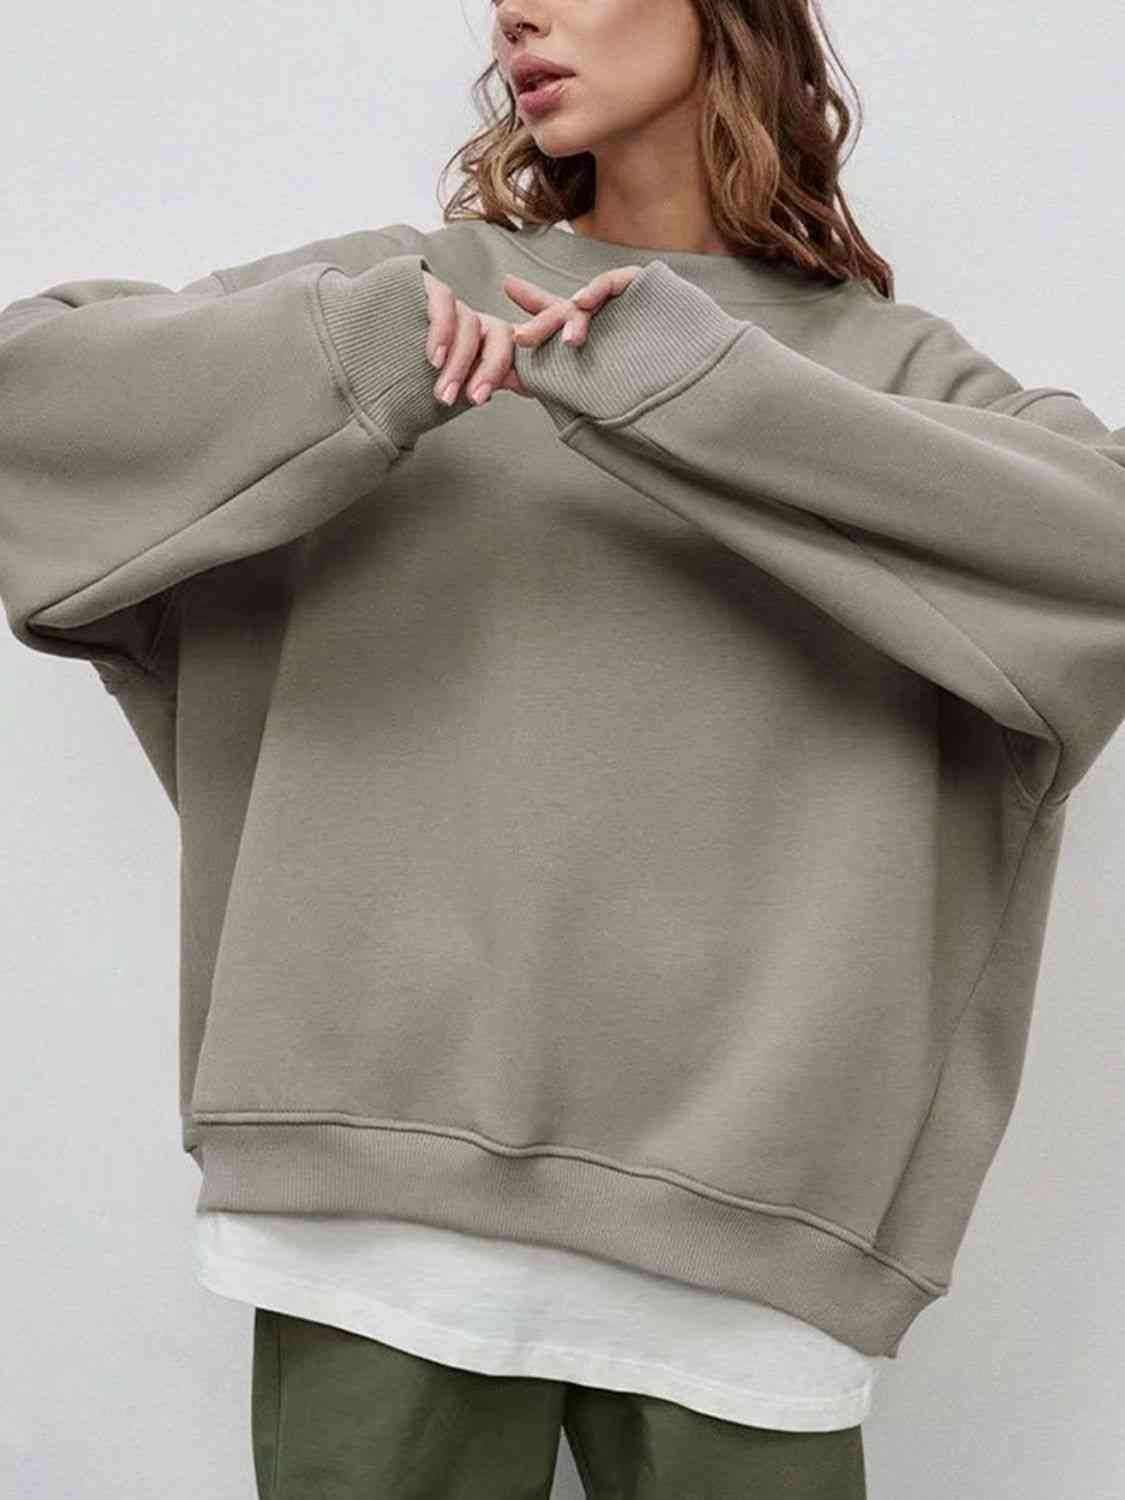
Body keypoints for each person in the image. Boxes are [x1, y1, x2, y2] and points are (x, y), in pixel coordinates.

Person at [3, 1, 1123, 1496]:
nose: (520, 10)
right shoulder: (416, 291)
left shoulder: (894, 372)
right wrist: (356, 359)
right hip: (376, 1208)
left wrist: (696, 391)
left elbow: (1101, 558)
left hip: (754, 1236)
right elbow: (33, 399)